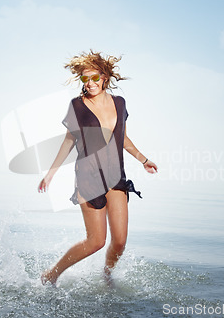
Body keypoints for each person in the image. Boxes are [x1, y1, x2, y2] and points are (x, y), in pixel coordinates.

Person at [38, 50, 158, 285]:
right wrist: (50, 174)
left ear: (104, 77)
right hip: (88, 177)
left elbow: (121, 137)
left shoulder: (119, 103)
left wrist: (143, 159)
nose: (90, 83)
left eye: (94, 78)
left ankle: (107, 274)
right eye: (85, 79)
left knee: (120, 241)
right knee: (96, 241)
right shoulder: (78, 106)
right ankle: (51, 275)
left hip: (115, 176)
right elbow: (68, 141)